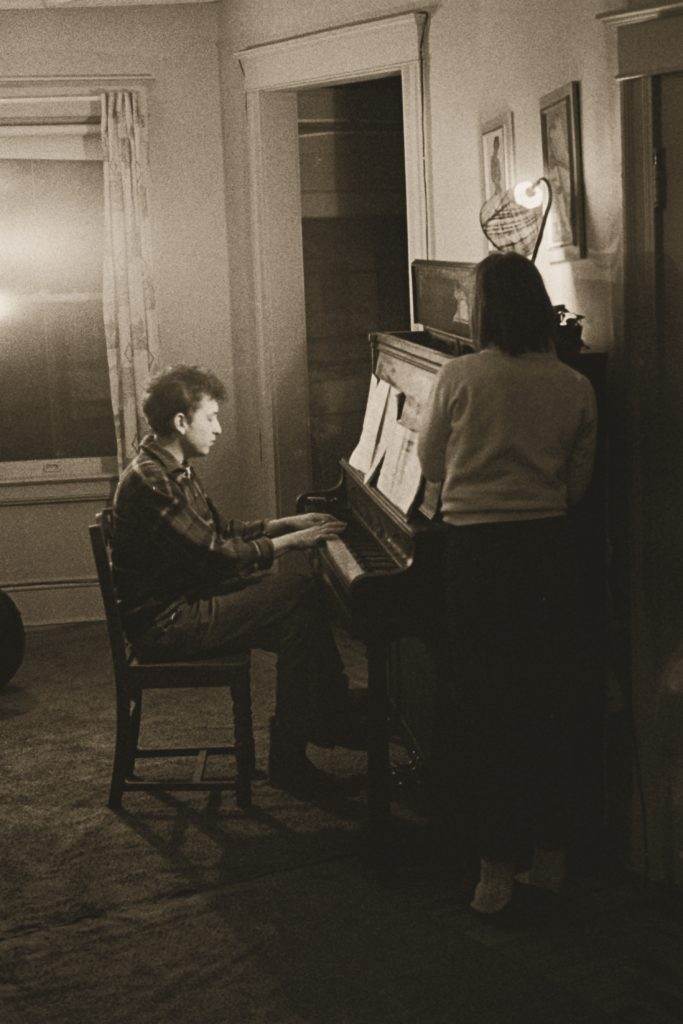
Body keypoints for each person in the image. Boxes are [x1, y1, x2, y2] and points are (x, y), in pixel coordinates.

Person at [417, 252, 597, 916]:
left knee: (483, 709)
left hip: (476, 557)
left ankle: (492, 868)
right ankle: (549, 858)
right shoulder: (573, 385)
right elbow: (576, 487)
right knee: (543, 705)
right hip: (548, 556)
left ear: (484, 309)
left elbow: (430, 459)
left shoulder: (459, 375)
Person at [112, 365, 364, 796]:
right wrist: (296, 541)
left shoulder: (170, 464)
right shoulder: (155, 480)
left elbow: (221, 529)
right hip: (167, 622)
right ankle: (332, 714)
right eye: (210, 417)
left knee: (299, 624)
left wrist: (286, 522)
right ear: (181, 422)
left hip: (186, 601)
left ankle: (298, 749)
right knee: (303, 588)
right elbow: (219, 552)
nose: (219, 428)